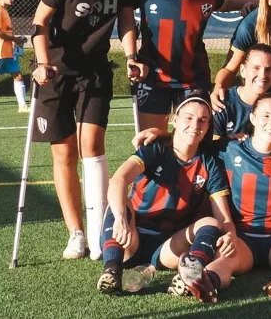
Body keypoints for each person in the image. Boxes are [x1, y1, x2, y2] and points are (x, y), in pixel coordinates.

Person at [30, 0, 142, 260]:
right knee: (64, 153)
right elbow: (40, 22)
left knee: (91, 146)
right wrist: (41, 62)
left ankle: (100, 232)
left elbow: (126, 20)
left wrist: (132, 57)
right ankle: (76, 233)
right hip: (55, 70)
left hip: (94, 71)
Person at [164, 93, 271, 302]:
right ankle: (205, 282)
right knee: (223, 261)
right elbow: (189, 141)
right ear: (252, 118)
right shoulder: (228, 148)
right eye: (266, 116)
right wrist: (157, 134)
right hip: (242, 238)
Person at [96, 94, 233, 298]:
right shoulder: (155, 148)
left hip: (168, 247)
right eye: (188, 118)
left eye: (203, 120)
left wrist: (230, 235)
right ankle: (112, 269)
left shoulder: (209, 163)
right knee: (120, 202)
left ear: (208, 126)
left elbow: (223, 216)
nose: (195, 125)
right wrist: (120, 218)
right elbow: (119, 179)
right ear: (174, 120)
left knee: (211, 223)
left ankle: (191, 277)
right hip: (131, 238)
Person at [134, 0, 249, 131]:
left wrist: (261, 2)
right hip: (152, 79)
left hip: (194, 80)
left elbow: (225, 3)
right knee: (152, 142)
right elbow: (121, 10)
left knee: (192, 140)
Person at [212, 44, 271, 140]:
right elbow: (211, 145)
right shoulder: (222, 103)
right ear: (243, 70)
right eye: (256, 68)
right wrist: (232, 143)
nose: (262, 75)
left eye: (268, 69)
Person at [0, 0, 28, 112]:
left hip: (8, 52)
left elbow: (6, 32)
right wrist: (15, 39)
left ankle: (23, 106)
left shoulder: (5, 11)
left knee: (18, 75)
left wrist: (16, 41)